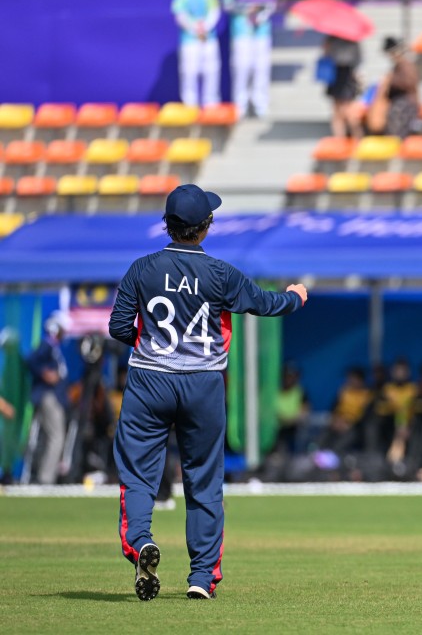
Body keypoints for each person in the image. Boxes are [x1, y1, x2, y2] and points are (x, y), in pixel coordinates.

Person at [109, 183, 307, 601]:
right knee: (203, 481)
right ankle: (201, 577)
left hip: (149, 381)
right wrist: (294, 298)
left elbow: (118, 326)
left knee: (139, 474)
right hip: (203, 384)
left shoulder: (142, 268)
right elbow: (264, 304)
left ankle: (140, 541)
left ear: (168, 225)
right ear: (205, 227)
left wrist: (152, 346)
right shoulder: (220, 273)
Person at [223, 0, 275, 118]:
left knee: (261, 68)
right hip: (242, 32)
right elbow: (227, 3)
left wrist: (260, 15)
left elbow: (271, 4)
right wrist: (246, 9)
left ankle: (260, 105)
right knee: (242, 68)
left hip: (261, 32)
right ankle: (240, 106)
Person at [26, 311, 71, 485]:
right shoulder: (47, 345)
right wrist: (45, 373)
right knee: (56, 436)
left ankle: (41, 473)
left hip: (51, 395)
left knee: (47, 436)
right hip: (48, 395)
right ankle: (46, 478)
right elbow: (31, 360)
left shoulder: (53, 347)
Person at [172, 0, 222, 107]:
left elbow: (215, 10)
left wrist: (206, 28)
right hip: (190, 39)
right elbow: (180, 15)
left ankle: (211, 104)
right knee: (189, 71)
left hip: (209, 37)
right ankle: (189, 105)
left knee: (212, 70)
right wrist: (195, 29)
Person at [323, 35, 363, 139]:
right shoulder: (352, 40)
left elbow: (327, 54)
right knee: (341, 110)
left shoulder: (333, 39)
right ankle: (350, 138)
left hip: (341, 74)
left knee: (343, 110)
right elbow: (358, 59)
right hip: (343, 74)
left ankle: (347, 137)